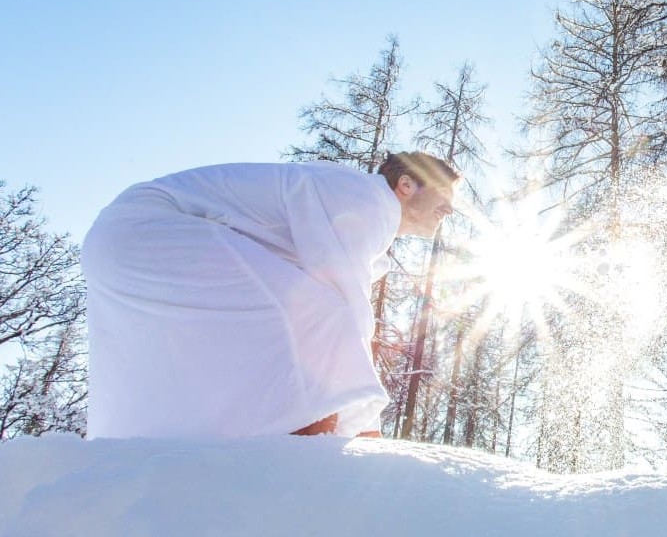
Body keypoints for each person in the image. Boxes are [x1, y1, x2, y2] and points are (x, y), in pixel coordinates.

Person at [81, 152, 459, 439]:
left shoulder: (353, 202)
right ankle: (304, 451)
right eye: (444, 198)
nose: (449, 210)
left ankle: (150, 452)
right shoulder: (367, 199)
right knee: (321, 317)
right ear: (406, 185)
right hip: (153, 228)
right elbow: (344, 303)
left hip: (120, 239)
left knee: (225, 346)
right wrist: (363, 426)